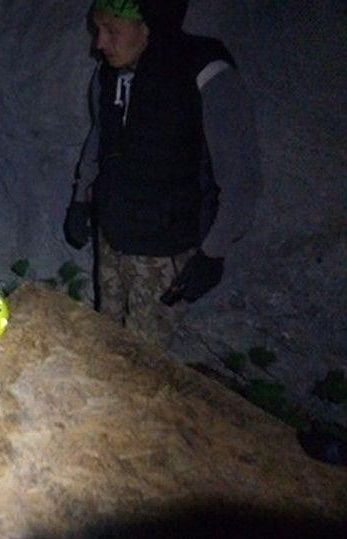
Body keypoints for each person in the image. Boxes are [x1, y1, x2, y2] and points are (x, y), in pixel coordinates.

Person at [63, 0, 262, 348]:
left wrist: (213, 253)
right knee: (104, 339)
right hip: (113, 235)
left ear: (149, 27)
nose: (100, 43)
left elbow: (241, 175)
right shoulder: (108, 74)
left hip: (165, 250)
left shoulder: (203, 71)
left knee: (141, 358)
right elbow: (100, 135)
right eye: (98, 30)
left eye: (112, 31)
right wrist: (81, 199)